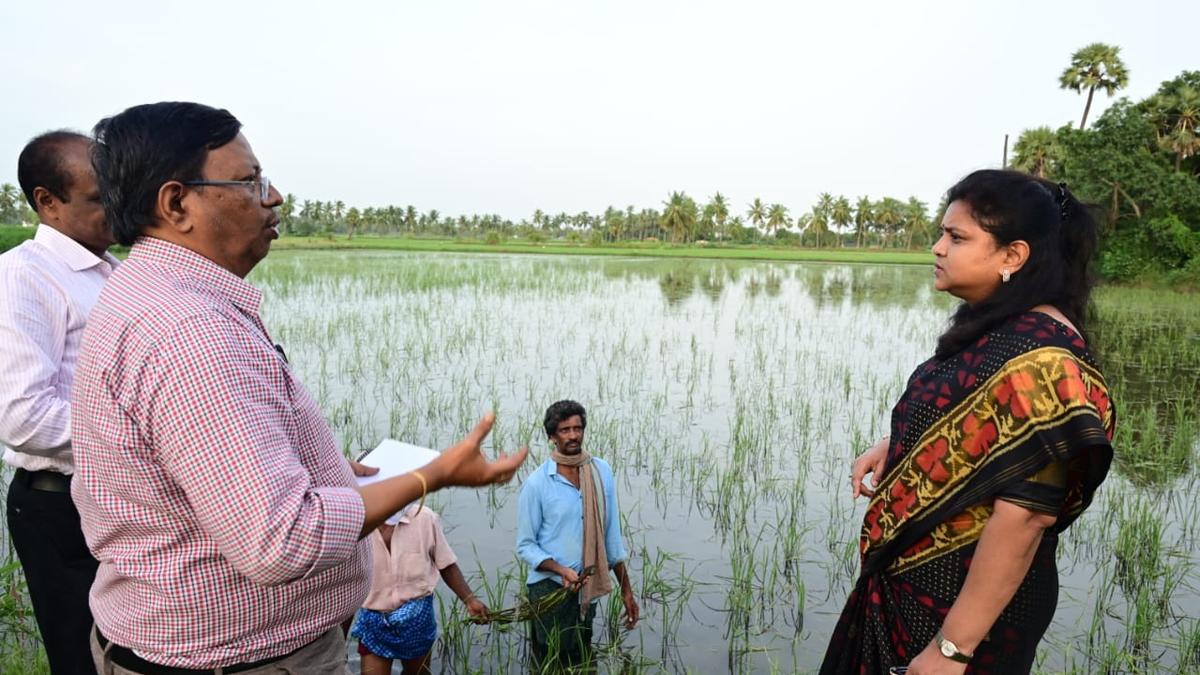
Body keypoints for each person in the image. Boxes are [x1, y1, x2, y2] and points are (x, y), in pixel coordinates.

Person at [72, 101, 527, 673]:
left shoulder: (152, 292)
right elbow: (280, 539)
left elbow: (198, 467)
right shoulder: (190, 331)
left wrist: (321, 469)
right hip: (237, 662)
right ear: (177, 203)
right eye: (248, 180)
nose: (274, 195)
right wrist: (429, 476)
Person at [820, 170, 1116, 675]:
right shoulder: (1000, 327)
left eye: (956, 237)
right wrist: (902, 444)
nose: (937, 248)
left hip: (961, 612)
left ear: (1012, 256)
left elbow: (1026, 516)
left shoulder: (1044, 362)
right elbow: (980, 428)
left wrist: (951, 649)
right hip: (917, 590)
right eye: (942, 233)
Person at [0, 129, 117, 674]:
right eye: (98, 196)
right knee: (84, 658)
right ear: (48, 201)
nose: (115, 207)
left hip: (114, 496)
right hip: (61, 506)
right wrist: (145, 433)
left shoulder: (112, 271)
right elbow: (22, 418)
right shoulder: (24, 275)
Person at [516, 400, 639, 669]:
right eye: (564, 430)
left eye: (577, 428)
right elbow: (525, 546)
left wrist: (626, 591)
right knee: (550, 658)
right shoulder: (537, 484)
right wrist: (560, 569)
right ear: (551, 437)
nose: (573, 435)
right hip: (549, 589)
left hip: (585, 585)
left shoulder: (600, 471)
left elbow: (611, 538)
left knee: (582, 655)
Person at [352, 504, 487, 674]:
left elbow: (445, 563)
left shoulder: (424, 518)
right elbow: (343, 584)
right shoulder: (356, 525)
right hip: (374, 620)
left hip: (416, 617)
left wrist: (469, 600)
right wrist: (337, 643)